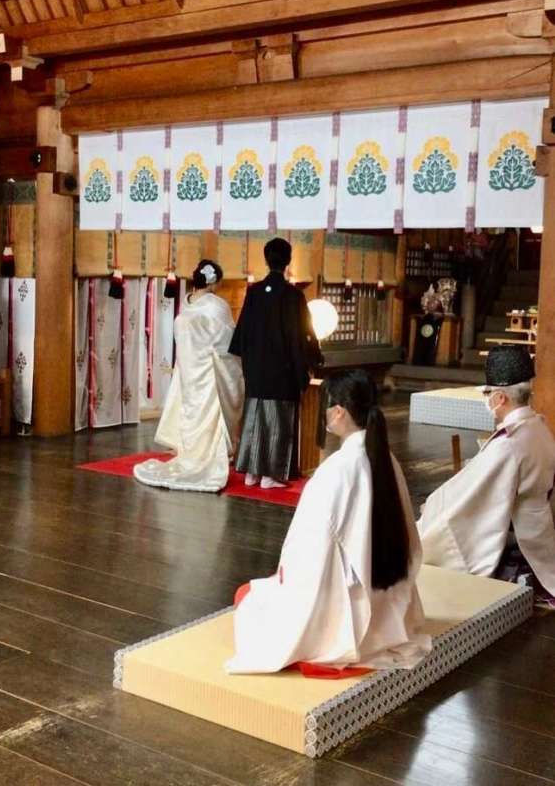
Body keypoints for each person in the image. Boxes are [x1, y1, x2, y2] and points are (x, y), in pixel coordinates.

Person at [226, 371, 431, 675]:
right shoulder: (386, 459)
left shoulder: (338, 469)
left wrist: (286, 580)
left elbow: (309, 549)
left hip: (345, 606)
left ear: (339, 412)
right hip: (387, 605)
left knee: (248, 598)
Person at [418, 345, 555, 606]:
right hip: (541, 529)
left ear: (500, 398)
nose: (487, 399)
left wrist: (433, 507)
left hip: (519, 535)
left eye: (488, 393)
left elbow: (471, 499)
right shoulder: (538, 427)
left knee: (435, 522)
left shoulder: (509, 443)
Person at [134, 260, 244, 493]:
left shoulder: (187, 304)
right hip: (210, 373)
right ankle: (207, 458)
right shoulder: (217, 306)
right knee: (210, 416)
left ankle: (190, 455)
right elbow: (229, 343)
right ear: (215, 282)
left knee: (191, 413)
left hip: (189, 372)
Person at [229, 237, 322, 490]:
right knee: (278, 422)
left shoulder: (255, 292)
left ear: (266, 259)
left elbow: (242, 332)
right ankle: (271, 474)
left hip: (257, 370)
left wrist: (250, 362)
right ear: (288, 261)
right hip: (282, 370)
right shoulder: (293, 295)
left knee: (255, 418)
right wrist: (314, 358)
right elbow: (304, 332)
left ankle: (251, 473)